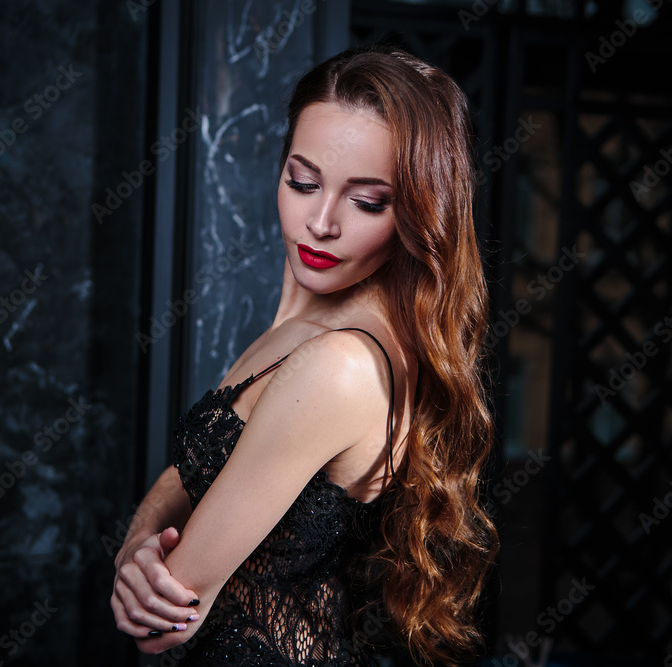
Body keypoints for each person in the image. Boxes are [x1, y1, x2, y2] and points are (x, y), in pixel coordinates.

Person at [110, 45, 498, 666]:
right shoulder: (310, 319)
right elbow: (189, 475)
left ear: (420, 212)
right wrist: (136, 546)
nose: (319, 222)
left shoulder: (339, 367)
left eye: (367, 201)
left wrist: (141, 576)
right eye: (304, 180)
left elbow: (162, 622)